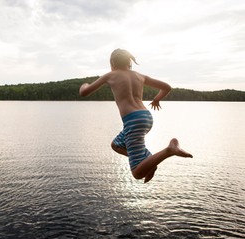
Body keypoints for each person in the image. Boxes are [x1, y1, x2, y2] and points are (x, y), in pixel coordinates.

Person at [79, 48, 193, 183]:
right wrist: (156, 99)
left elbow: (84, 92)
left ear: (112, 63)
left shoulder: (110, 75)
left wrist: (84, 85)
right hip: (145, 117)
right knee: (116, 145)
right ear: (129, 62)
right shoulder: (140, 76)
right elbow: (167, 87)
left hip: (133, 121)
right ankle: (148, 162)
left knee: (137, 173)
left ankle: (169, 150)